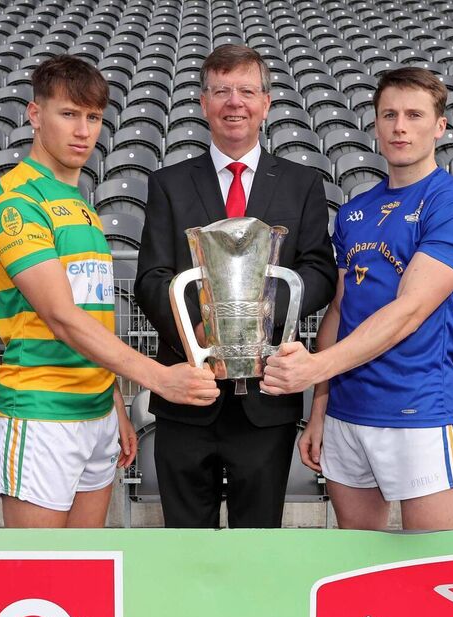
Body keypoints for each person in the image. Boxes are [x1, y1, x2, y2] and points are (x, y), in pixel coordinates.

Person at [0, 56, 219, 529]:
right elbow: (63, 317)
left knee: (84, 574)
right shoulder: (16, 202)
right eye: (68, 114)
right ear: (35, 114)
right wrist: (158, 379)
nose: (82, 130)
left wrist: (113, 403)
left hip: (96, 414)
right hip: (41, 413)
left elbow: (93, 317)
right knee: (39, 578)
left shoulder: (82, 207)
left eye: (92, 118)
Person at [262, 67, 453, 532]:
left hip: (417, 412)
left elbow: (409, 310)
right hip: (347, 412)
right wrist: (319, 412)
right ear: (376, 124)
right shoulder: (355, 210)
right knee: (357, 563)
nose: (399, 126)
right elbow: (341, 309)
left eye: (413, 115)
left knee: (427, 569)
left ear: (439, 126)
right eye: (389, 115)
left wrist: (316, 369)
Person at [135, 45, 337, 529]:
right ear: (203, 103)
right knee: (186, 547)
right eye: (221, 91)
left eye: (247, 91)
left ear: (266, 103)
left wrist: (257, 316)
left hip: (266, 400)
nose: (234, 102)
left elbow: (319, 271)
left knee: (258, 541)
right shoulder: (168, 184)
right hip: (188, 392)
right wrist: (207, 332)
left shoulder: (302, 183)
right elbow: (151, 279)